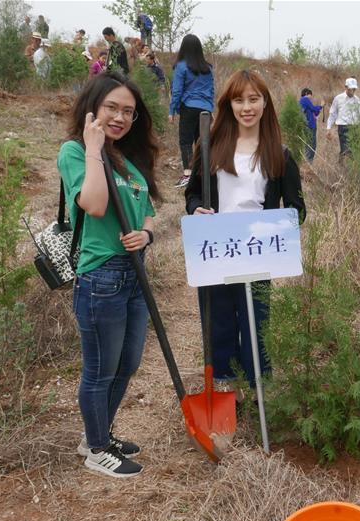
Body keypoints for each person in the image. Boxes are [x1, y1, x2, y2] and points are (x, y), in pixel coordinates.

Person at [58, 72, 161, 477]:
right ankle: (97, 449)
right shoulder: (74, 152)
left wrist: (146, 233)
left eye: (128, 112)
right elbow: (96, 205)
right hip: (101, 276)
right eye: (112, 108)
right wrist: (93, 148)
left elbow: (148, 208)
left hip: (134, 274)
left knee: (127, 363)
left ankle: (97, 434)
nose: (120, 117)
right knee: (100, 369)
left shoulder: (129, 159)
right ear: (93, 108)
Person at [184, 70, 305, 391]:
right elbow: (192, 194)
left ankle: (257, 388)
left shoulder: (279, 153)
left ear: (265, 104)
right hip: (216, 250)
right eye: (239, 100)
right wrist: (196, 209)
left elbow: (297, 209)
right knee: (219, 319)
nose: (246, 107)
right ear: (229, 105)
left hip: (256, 253)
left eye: (254, 99)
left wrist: (273, 227)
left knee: (255, 321)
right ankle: (225, 387)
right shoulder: (210, 147)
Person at [169, 34, 214, 188]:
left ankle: (188, 175)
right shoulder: (208, 68)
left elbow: (177, 91)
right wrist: (210, 108)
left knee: (185, 141)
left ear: (184, 48)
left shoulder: (181, 66)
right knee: (203, 142)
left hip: (189, 107)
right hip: (205, 109)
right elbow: (211, 90)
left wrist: (172, 111)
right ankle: (204, 174)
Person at [327, 78, 360, 160]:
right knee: (345, 150)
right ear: (346, 87)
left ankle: (347, 164)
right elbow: (333, 113)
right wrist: (328, 128)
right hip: (343, 127)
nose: (353, 91)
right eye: (351, 89)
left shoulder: (357, 100)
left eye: (354, 89)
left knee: (354, 149)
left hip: (354, 127)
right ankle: (342, 164)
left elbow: (358, 114)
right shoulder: (338, 98)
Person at [299, 88, 322, 161]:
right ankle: (309, 161)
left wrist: (319, 109)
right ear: (306, 93)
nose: (311, 98)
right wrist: (321, 106)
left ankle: (308, 161)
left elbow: (314, 112)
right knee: (311, 145)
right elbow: (313, 108)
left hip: (309, 126)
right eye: (310, 95)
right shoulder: (304, 99)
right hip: (310, 126)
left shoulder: (304, 102)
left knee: (309, 144)